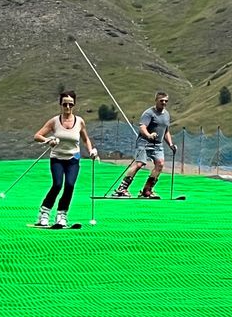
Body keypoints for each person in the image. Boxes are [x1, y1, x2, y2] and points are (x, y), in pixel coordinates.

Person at [32, 91, 97, 227]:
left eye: (70, 104)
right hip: (57, 158)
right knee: (57, 185)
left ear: (74, 105)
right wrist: (48, 140)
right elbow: (37, 136)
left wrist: (91, 151)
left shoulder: (79, 121)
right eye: (65, 104)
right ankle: (44, 214)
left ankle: (62, 215)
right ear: (61, 105)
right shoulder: (54, 121)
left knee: (69, 186)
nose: (68, 107)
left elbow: (85, 139)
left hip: (73, 159)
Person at [112, 91, 177, 198]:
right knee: (139, 164)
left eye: (166, 101)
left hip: (158, 145)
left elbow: (166, 131)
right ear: (156, 100)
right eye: (161, 101)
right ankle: (121, 189)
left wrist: (170, 144)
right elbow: (142, 127)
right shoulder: (148, 113)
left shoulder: (166, 114)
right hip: (144, 143)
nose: (164, 103)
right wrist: (149, 135)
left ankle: (147, 190)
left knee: (160, 164)